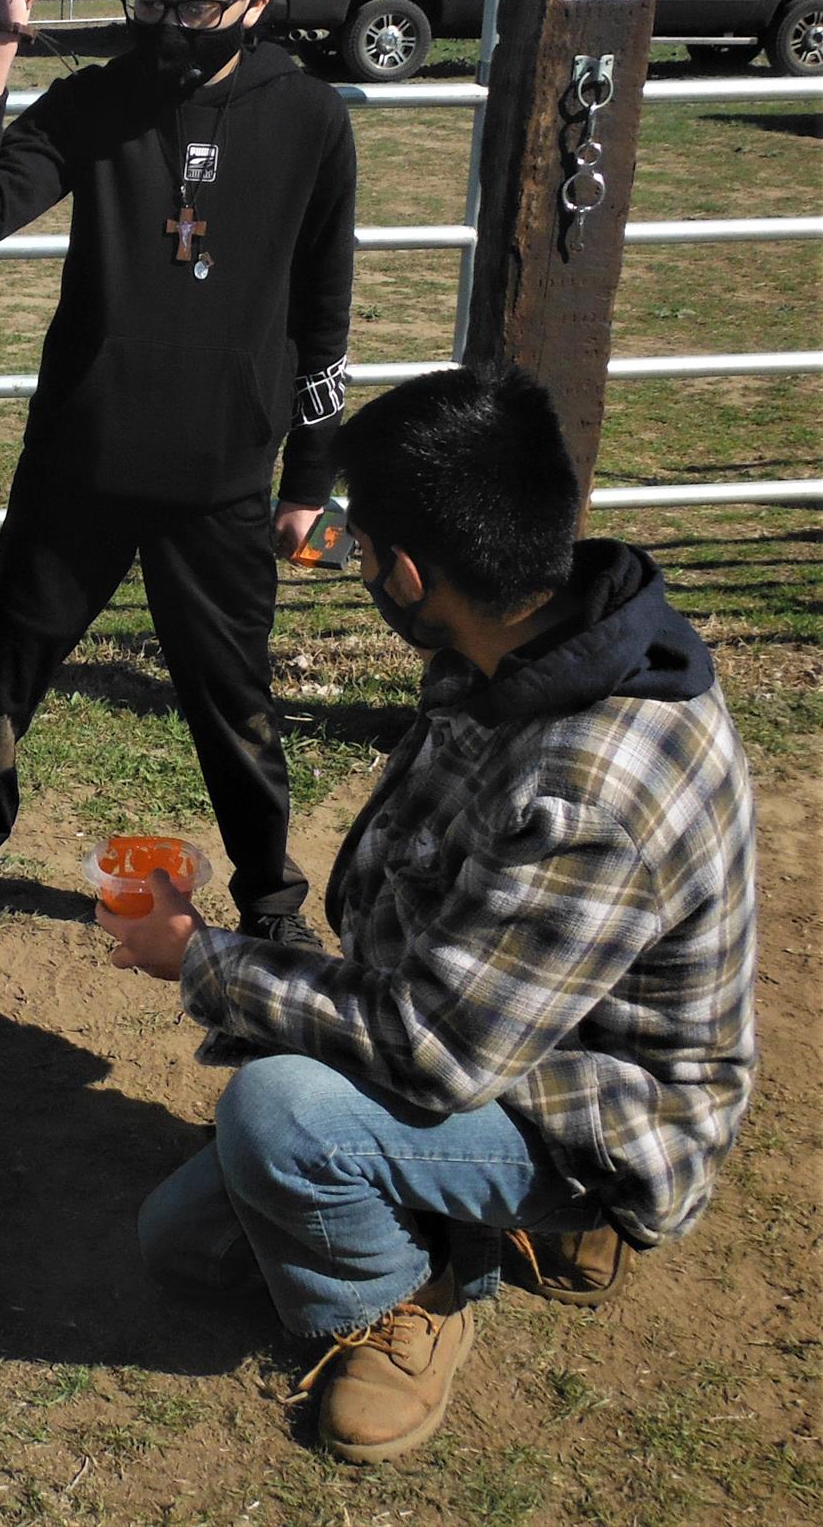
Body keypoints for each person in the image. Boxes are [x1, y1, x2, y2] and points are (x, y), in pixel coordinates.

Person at [100, 366, 757, 1464]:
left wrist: (203, 960)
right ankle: (485, 1217)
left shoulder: (588, 784)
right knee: (180, 1244)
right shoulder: (533, 640)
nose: (352, 559)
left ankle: (419, 1290)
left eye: (361, 546)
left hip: (590, 1104)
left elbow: (434, 1046)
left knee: (280, 1117)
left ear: (408, 574)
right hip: (508, 1031)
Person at [0, 0, 356, 957]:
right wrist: (5, 44)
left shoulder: (309, 119)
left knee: (237, 706)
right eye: (148, 0)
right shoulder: (99, 101)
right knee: (5, 681)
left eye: (197, 6)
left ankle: (270, 900)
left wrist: (308, 481)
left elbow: (324, 308)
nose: (169, 27)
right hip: (80, 459)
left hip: (219, 477)